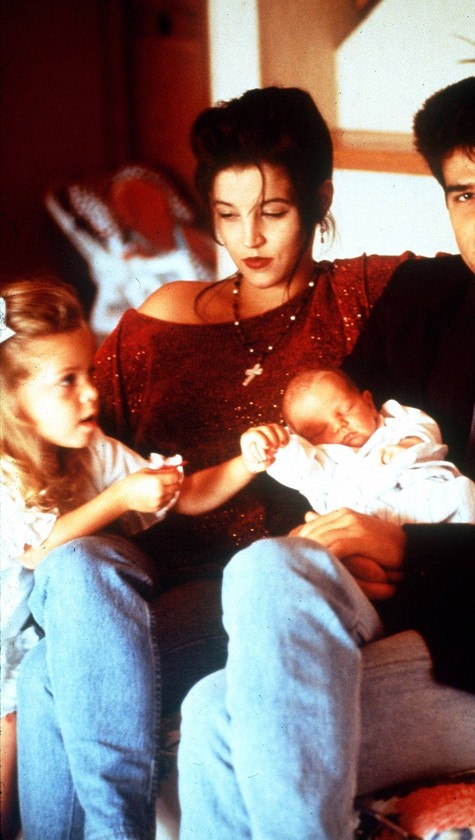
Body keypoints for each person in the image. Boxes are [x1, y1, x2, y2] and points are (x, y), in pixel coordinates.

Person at [177, 69, 475, 840]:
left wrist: (404, 546)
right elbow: (329, 442)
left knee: (215, 721)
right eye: (463, 194)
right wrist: (338, 538)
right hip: (391, 607)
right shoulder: (422, 299)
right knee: (264, 567)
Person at [16, 87, 412, 838]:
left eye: (273, 212)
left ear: (320, 201)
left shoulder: (365, 293)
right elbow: (74, 443)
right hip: (136, 582)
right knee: (72, 577)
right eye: (227, 215)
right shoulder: (158, 317)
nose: (248, 238)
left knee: (47, 673)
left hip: (256, 594)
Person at [0, 276, 276, 839]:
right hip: (7, 644)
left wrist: (247, 461)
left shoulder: (93, 450)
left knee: (43, 676)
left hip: (45, 640)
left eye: (89, 373)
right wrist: (122, 497)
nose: (92, 394)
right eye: (67, 382)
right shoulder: (5, 469)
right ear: (13, 402)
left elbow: (185, 494)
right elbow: (40, 550)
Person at [241, 367, 475, 526]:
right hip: (366, 526)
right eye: (318, 431)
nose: (338, 426)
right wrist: (275, 446)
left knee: (459, 495)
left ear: (369, 403)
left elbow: (425, 428)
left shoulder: (395, 421)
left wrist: (408, 444)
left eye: (345, 410)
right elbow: (300, 469)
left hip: (425, 501)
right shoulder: (325, 458)